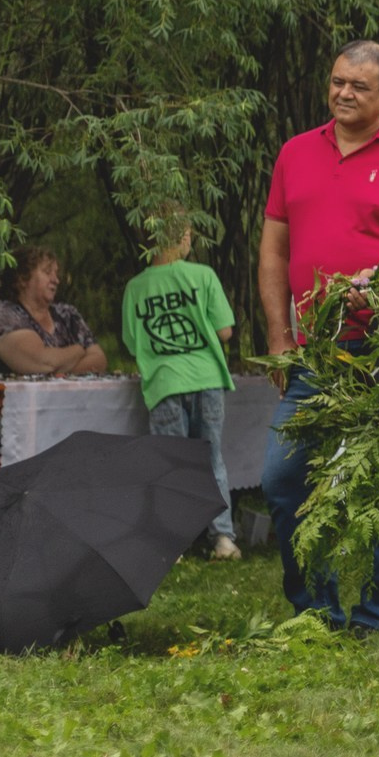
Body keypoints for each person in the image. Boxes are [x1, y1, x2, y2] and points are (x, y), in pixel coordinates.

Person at [259, 40, 379, 631]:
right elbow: (274, 250)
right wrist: (278, 336)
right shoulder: (295, 153)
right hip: (314, 352)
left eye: (359, 86)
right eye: (337, 82)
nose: (344, 93)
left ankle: (377, 615)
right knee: (283, 478)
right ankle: (314, 610)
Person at [121, 212, 240, 559]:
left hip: (165, 383)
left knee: (171, 464)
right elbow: (224, 331)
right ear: (183, 237)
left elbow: (132, 343)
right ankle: (223, 539)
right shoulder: (203, 276)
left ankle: (173, 542)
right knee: (211, 459)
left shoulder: (135, 287)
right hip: (207, 378)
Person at [0, 246, 108, 376]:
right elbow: (41, 362)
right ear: (22, 279)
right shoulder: (3, 313)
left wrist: (59, 374)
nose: (56, 280)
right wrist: (78, 350)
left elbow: (99, 361)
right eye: (47, 272)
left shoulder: (67, 314)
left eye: (56, 273)